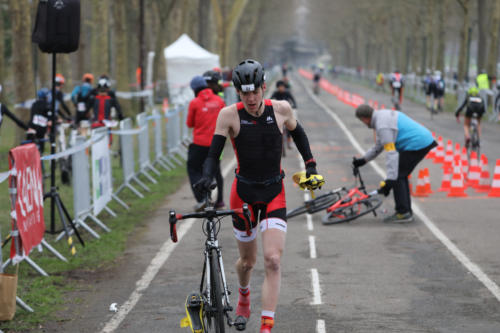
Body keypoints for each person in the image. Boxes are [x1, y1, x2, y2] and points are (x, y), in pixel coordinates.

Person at [196, 59, 322, 333]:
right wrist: (207, 176)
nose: (251, 98)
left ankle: (266, 325)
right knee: (248, 262)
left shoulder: (281, 109)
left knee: (273, 259)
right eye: (245, 93)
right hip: (242, 194)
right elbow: (213, 153)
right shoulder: (228, 115)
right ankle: (243, 296)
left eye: (255, 92)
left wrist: (310, 164)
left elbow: (298, 133)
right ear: (237, 92)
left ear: (264, 88)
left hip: (274, 191)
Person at [353, 104, 436, 223]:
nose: (363, 123)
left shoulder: (381, 126)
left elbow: (391, 154)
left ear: (364, 118)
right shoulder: (381, 117)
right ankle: (406, 211)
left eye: (362, 121)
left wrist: (389, 181)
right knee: (400, 174)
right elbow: (379, 146)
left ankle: (403, 212)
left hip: (417, 143)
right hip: (420, 140)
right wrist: (363, 160)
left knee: (397, 174)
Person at [186, 75, 226, 210]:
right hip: (216, 144)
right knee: (216, 171)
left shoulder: (194, 103)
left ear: (194, 89)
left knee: (193, 168)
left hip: (199, 144)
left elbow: (189, 123)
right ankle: (220, 201)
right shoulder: (219, 100)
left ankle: (203, 198)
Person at [27, 88, 52, 154]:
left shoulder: (34, 104)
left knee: (29, 147)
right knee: (40, 149)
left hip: (31, 127)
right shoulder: (47, 105)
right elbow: (50, 119)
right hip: (41, 130)